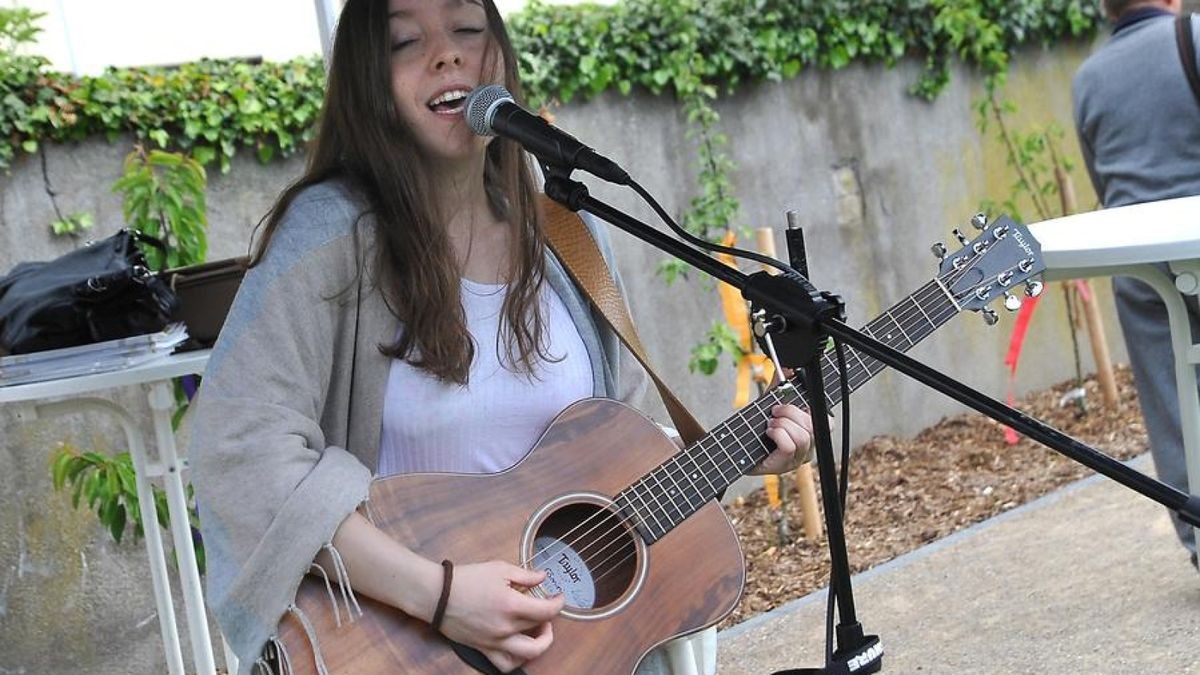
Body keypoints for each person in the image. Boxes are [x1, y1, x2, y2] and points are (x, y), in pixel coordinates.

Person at [189, 1, 815, 673]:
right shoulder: (329, 235)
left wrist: (740, 453)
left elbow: (625, 446)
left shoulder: (566, 231)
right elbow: (241, 449)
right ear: (368, 81)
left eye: (467, 30)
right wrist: (442, 596)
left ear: (501, 61)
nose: (447, 54)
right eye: (406, 41)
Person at [1072, 0, 1200, 568]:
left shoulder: (1087, 79)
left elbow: (1102, 179)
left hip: (1142, 266)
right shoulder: (1194, 37)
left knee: (1172, 407)